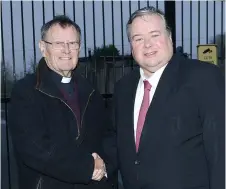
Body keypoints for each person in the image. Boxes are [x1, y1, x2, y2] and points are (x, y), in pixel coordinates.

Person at [113, 6, 224, 189]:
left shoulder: (203, 77)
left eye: (154, 35)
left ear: (170, 38)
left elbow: (221, 151)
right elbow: (118, 145)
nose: (147, 44)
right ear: (131, 47)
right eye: (138, 38)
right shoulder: (123, 88)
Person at [8, 15, 117, 189]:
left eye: (73, 44)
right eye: (58, 44)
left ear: (79, 48)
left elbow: (108, 135)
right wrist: (87, 167)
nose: (67, 50)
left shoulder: (91, 91)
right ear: (43, 48)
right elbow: (35, 149)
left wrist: (105, 166)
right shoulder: (26, 91)